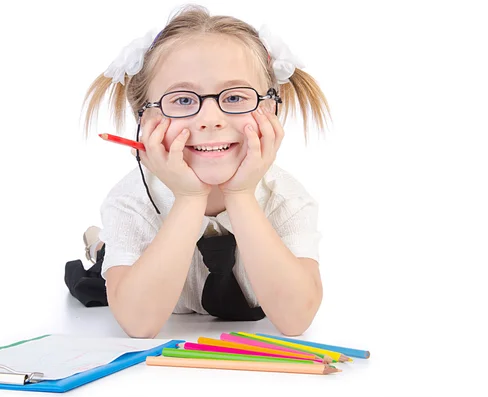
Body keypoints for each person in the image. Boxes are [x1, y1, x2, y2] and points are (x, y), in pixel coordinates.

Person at [65, 4, 332, 338]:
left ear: (271, 109)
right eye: (182, 100)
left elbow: (296, 320)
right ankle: (99, 245)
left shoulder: (288, 198)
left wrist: (241, 194)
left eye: (235, 97)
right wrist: (189, 198)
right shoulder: (130, 201)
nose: (210, 118)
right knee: (107, 259)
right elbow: (138, 323)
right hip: (141, 260)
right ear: (143, 118)